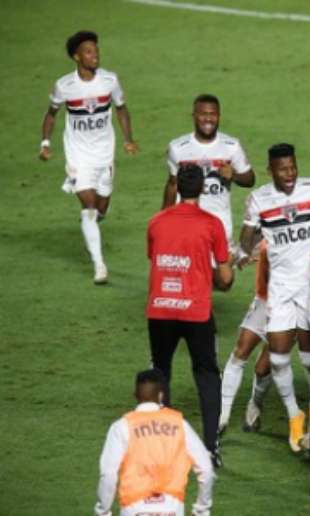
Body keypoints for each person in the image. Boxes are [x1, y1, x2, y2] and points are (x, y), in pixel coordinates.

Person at [240, 143, 310, 452]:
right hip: (279, 288)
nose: (290, 174)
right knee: (278, 357)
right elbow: (247, 236)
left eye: (293, 167)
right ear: (271, 170)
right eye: (283, 169)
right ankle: (295, 415)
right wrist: (242, 253)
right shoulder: (258, 199)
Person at [146, 164, 234, 467]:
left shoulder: (156, 222)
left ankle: (165, 446)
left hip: (159, 309)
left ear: (178, 187)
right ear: (203, 188)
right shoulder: (212, 224)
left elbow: (156, 258)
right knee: (207, 376)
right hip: (195, 312)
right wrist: (213, 270)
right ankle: (210, 447)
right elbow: (226, 280)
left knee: (161, 372)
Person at [39, 30, 138, 284]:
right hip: (78, 157)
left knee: (102, 205)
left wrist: (127, 139)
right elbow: (51, 114)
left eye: (96, 50)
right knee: (89, 206)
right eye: (89, 51)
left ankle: (91, 230)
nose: (95, 55)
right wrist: (46, 142)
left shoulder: (109, 80)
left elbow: (122, 109)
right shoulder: (65, 86)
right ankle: (99, 265)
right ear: (76, 56)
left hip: (104, 154)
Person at [95, 369, 214, 516]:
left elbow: (108, 473)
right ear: (161, 395)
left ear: (135, 396)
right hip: (172, 507)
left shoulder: (121, 427)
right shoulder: (180, 424)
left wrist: (103, 512)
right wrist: (201, 510)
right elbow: (206, 469)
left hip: (134, 507)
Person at [164, 94, 255, 247]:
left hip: (220, 223)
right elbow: (173, 185)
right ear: (194, 116)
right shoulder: (178, 148)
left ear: (219, 116)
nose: (208, 119)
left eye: (213, 114)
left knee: (223, 270)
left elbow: (250, 179)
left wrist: (233, 176)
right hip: (187, 223)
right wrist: (164, 219)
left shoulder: (231, 146)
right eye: (203, 114)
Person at [218, 241, 272, 435]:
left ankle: (255, 406)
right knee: (240, 351)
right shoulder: (273, 224)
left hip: (290, 307)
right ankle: (222, 417)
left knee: (263, 368)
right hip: (264, 301)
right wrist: (246, 252)